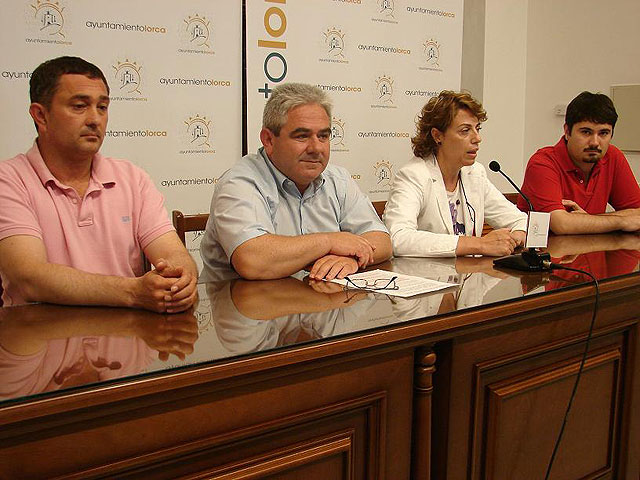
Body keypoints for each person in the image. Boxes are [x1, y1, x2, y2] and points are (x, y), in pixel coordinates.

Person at [0, 56, 197, 312]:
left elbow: (173, 254)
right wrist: (133, 292)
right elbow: (30, 278)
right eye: (80, 106)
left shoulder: (132, 178)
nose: (95, 119)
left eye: (102, 107)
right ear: (41, 115)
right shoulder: (9, 179)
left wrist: (182, 278)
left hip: (130, 332)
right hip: (42, 334)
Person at [200, 83, 391, 281]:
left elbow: (381, 240)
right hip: (245, 299)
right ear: (268, 140)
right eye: (302, 136)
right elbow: (253, 260)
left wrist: (352, 258)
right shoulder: (239, 183)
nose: (316, 148)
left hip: (317, 297)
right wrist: (329, 242)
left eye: (323, 136)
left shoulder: (338, 179)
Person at [384, 90, 527, 257]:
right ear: (438, 136)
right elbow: (398, 238)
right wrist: (479, 244)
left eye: (477, 129)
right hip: (426, 272)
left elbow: (519, 220)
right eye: (465, 131)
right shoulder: (413, 175)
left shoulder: (475, 173)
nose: (477, 138)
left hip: (468, 271)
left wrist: (516, 237)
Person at [518, 91, 640, 234]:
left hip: (594, 246)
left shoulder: (613, 157)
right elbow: (561, 225)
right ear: (567, 131)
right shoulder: (542, 163)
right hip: (545, 247)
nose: (595, 142)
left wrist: (588, 220)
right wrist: (622, 221)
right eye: (586, 132)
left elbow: (637, 213)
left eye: (603, 133)